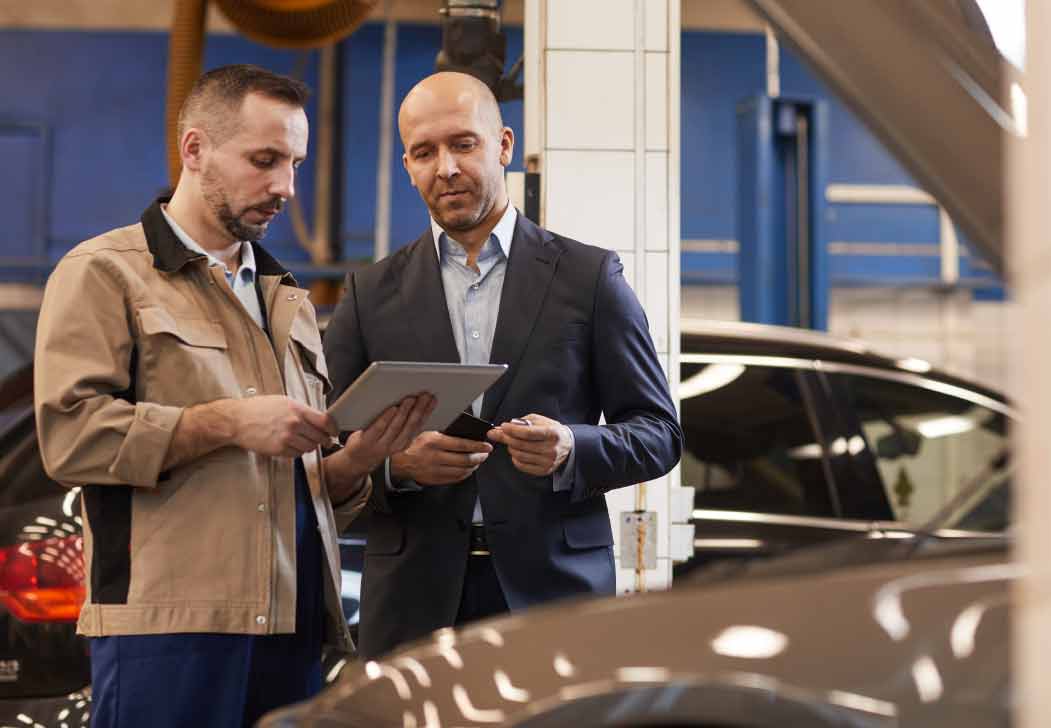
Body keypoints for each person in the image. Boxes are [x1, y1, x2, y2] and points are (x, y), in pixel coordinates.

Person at [33, 64, 434, 728]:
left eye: (296, 164)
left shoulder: (286, 300)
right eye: (264, 160)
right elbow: (71, 436)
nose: (285, 187)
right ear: (194, 150)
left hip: (292, 626)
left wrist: (361, 459)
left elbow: (297, 483)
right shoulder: (105, 273)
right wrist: (226, 422)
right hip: (168, 631)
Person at [323, 71, 683, 658]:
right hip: (413, 601)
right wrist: (396, 465)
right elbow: (325, 450)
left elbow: (659, 434)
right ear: (407, 167)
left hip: (555, 596)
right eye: (424, 152)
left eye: (463, 144)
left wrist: (572, 446)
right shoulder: (369, 294)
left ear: (504, 146)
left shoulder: (588, 278)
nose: (445, 168)